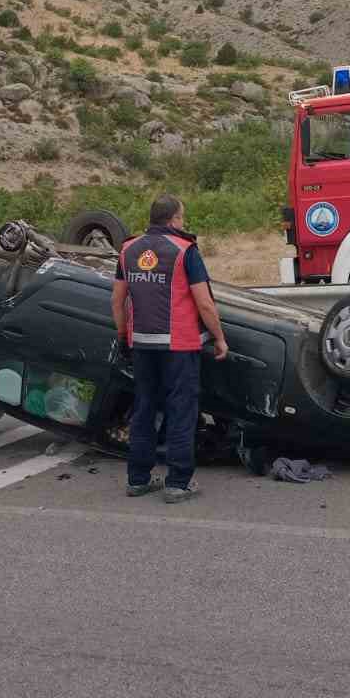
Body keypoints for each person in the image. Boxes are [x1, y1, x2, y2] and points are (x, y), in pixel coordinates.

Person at [109, 194, 229, 503]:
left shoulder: (128, 250)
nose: (183, 223)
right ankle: (178, 483)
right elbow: (204, 302)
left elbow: (117, 300)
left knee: (144, 409)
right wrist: (219, 337)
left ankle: (137, 479)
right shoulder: (185, 250)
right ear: (174, 219)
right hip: (180, 344)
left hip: (143, 344)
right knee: (181, 411)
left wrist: (124, 335)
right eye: (181, 218)